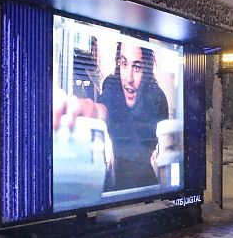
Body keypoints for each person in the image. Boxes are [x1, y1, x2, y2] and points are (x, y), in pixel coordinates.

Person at [61, 40, 169, 190]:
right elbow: (100, 110)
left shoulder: (157, 98)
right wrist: (82, 108)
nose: (129, 78)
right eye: (124, 64)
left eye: (137, 67)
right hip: (116, 186)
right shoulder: (113, 87)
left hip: (147, 188)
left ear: (147, 69)